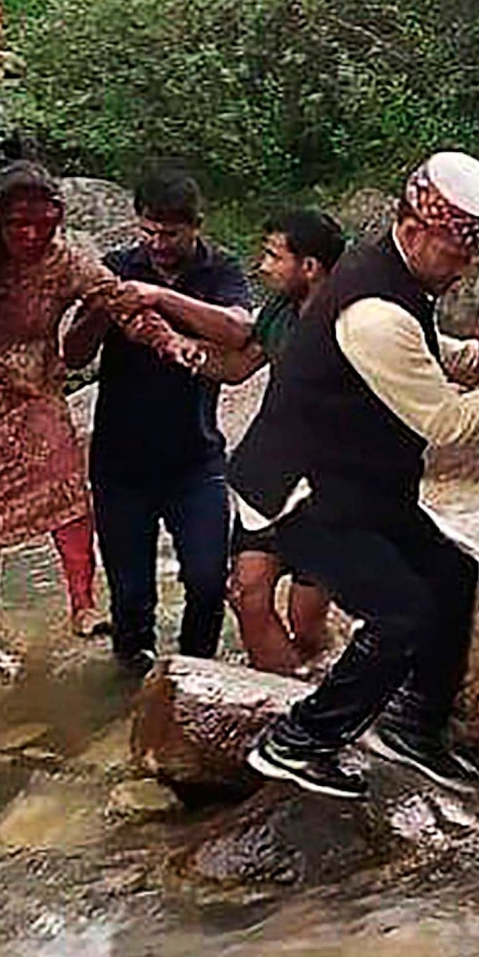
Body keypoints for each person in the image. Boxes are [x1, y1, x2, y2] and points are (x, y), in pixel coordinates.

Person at [230, 153, 479, 799]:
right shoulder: (375, 310)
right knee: (401, 613)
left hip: (357, 481)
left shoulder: (394, 277)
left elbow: (430, 354)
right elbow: (448, 423)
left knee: (453, 574)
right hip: (301, 490)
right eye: (454, 257)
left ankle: (416, 727)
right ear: (416, 230)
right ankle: (299, 739)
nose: (459, 273)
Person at [118, 207, 350, 673]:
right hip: (269, 472)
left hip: (328, 487)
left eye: (272, 256)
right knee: (245, 595)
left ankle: (324, 685)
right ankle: (287, 708)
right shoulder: (281, 311)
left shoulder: (358, 321)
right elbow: (237, 367)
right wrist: (177, 347)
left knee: (306, 623)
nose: (262, 266)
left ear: (309, 267)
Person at [66, 168, 252, 672]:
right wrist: (105, 308)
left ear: (197, 227)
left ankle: (195, 675)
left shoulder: (221, 271)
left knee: (210, 580)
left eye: (169, 234)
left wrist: (159, 298)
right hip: (120, 464)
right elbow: (73, 354)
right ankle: (130, 688)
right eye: (148, 232)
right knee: (130, 597)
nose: (157, 244)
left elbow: (238, 331)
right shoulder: (118, 266)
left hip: (196, 457)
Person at [0, 163, 109, 641]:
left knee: (67, 488)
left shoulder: (67, 260)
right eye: (19, 225)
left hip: (35, 391)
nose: (32, 235)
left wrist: (168, 340)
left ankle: (84, 604)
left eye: (44, 224)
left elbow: (113, 295)